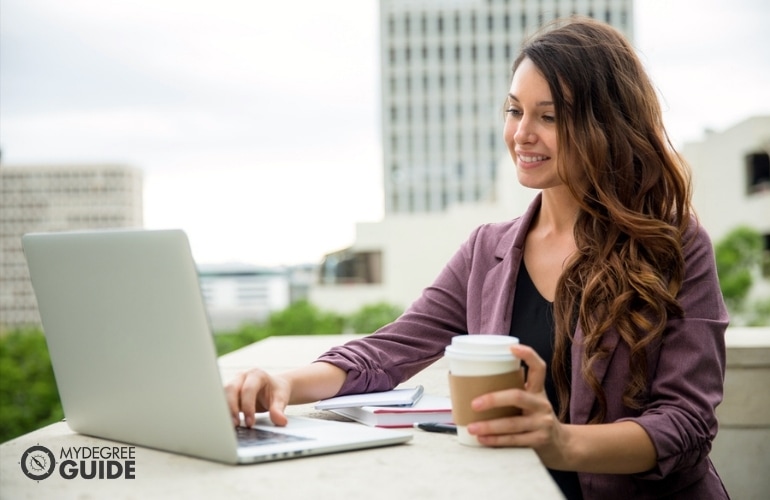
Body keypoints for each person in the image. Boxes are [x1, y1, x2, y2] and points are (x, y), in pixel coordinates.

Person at [225, 17, 729, 499]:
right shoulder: (488, 250)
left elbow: (686, 424)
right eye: (514, 110)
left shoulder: (674, 245)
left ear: (607, 126)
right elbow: (383, 355)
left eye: (548, 117)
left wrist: (559, 442)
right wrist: (283, 383)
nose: (522, 134)